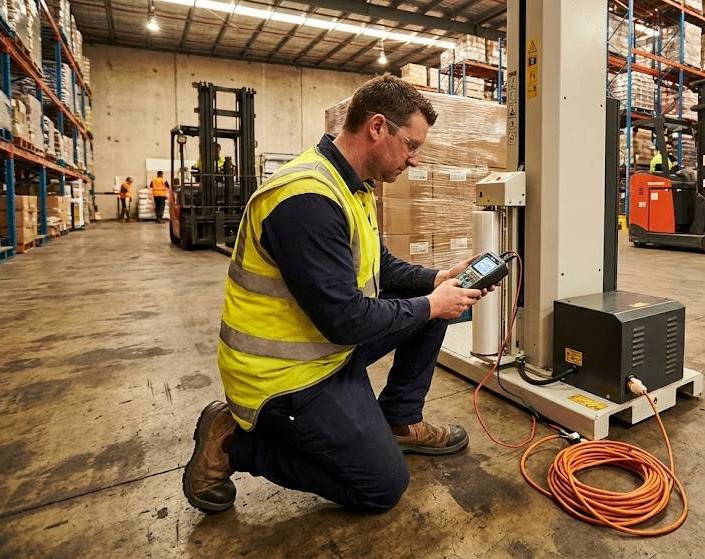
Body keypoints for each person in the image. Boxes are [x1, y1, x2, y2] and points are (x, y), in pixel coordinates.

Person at [182, 75, 489, 515]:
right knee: (382, 487)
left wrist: (438, 279)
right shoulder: (305, 198)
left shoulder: (352, 185)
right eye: (411, 145)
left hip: (325, 350)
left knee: (435, 306)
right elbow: (345, 319)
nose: (415, 160)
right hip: (286, 377)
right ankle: (234, 446)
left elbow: (379, 265)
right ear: (378, 127)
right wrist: (429, 304)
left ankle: (400, 420)